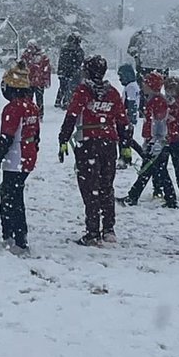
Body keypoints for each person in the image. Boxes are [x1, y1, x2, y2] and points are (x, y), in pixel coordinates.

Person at [58, 55, 133, 246]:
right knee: (106, 186)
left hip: (88, 143)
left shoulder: (83, 91)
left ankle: (92, 232)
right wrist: (125, 146)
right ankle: (109, 229)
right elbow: (123, 121)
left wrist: (63, 139)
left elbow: (72, 115)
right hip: (109, 143)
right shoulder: (113, 93)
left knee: (90, 188)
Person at [0, 65, 40, 255]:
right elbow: (37, 135)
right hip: (27, 156)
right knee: (12, 194)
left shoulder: (13, 108)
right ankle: (13, 235)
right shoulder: (32, 107)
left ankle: (16, 238)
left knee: (12, 198)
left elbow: (6, 138)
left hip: (15, 158)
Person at [118, 72, 177, 209]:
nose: (143, 85)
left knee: (153, 171)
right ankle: (136, 196)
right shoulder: (153, 100)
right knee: (153, 171)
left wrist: (158, 141)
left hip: (157, 142)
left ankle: (135, 197)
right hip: (153, 141)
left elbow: (160, 123)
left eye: (146, 83)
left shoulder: (157, 102)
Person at [21, 41, 52, 119]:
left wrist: (46, 81)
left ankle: (40, 114)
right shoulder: (25, 56)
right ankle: (28, 113)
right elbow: (21, 67)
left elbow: (46, 70)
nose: (30, 49)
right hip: (29, 82)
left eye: (31, 47)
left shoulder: (42, 57)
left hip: (38, 82)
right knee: (28, 100)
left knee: (39, 100)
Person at [54, 33, 84, 109]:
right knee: (69, 87)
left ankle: (58, 101)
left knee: (62, 87)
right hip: (72, 72)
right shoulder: (78, 50)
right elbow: (80, 61)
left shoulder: (64, 48)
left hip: (63, 71)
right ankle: (65, 102)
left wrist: (60, 70)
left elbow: (61, 61)